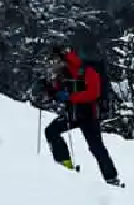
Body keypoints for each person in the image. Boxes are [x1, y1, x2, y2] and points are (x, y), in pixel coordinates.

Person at [44, 47, 121, 184]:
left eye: (55, 60)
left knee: (96, 146)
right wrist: (49, 91)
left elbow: (93, 93)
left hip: (88, 115)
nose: (53, 64)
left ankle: (111, 178)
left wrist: (70, 97)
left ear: (63, 58)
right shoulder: (64, 73)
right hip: (73, 113)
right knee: (51, 131)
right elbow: (59, 92)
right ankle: (65, 164)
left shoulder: (86, 70)